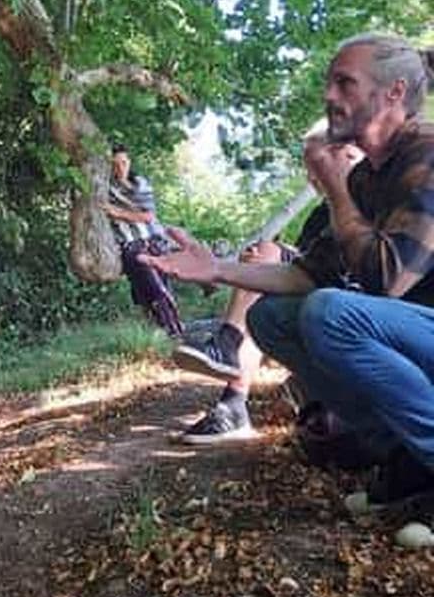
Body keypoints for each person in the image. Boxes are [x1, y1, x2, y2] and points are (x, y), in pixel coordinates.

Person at [140, 33, 434, 514]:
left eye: (345, 83)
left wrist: (338, 190)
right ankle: (405, 451)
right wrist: (216, 269)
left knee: (330, 314)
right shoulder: (365, 177)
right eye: (329, 83)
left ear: (394, 93)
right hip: (417, 343)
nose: (329, 96)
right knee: (271, 318)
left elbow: (387, 279)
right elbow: (308, 274)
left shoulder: (426, 152)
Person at [172, 136, 362, 445]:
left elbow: (372, 273)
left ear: (353, 156)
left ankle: (228, 354)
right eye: (309, 168)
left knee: (269, 266)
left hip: (362, 311)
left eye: (321, 164)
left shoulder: (383, 196)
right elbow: (311, 265)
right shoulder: (320, 216)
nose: (312, 177)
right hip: (325, 299)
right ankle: (232, 390)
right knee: (262, 275)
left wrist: (277, 257)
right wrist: (239, 266)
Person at [101, 144, 183, 337]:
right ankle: (160, 336)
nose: (120, 168)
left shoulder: (140, 183)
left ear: (129, 163)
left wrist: (116, 212)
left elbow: (148, 216)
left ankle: (174, 332)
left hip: (153, 243)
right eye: (115, 164)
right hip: (131, 247)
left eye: (124, 162)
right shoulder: (104, 187)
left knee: (161, 289)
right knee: (146, 294)